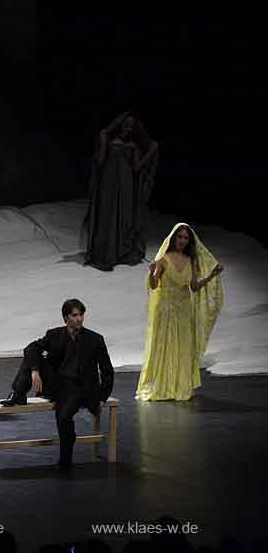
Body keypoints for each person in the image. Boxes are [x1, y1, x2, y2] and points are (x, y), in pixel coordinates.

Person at [0, 298, 114, 470]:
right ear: (66, 318)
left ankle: (65, 458)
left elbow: (107, 371)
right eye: (75, 315)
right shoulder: (54, 335)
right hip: (59, 384)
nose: (79, 319)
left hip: (81, 387)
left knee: (64, 415)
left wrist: (102, 397)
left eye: (81, 315)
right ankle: (18, 393)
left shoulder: (94, 339)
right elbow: (31, 349)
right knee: (32, 355)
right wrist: (35, 370)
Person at [136, 223, 224, 401]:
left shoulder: (191, 261)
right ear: (173, 238)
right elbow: (154, 286)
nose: (182, 241)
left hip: (184, 309)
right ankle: (162, 386)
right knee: (164, 346)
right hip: (165, 309)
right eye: (180, 237)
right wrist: (153, 272)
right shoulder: (163, 259)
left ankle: (178, 387)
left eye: (186, 238)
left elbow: (194, 287)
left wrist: (212, 275)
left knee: (182, 347)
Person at [84, 111, 159, 270]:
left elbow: (136, 168)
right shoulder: (109, 141)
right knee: (107, 215)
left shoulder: (133, 146)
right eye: (126, 125)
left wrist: (151, 151)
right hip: (108, 185)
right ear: (119, 125)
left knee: (124, 217)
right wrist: (103, 137)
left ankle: (120, 252)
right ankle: (105, 252)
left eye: (131, 126)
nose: (128, 128)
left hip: (126, 186)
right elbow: (101, 161)